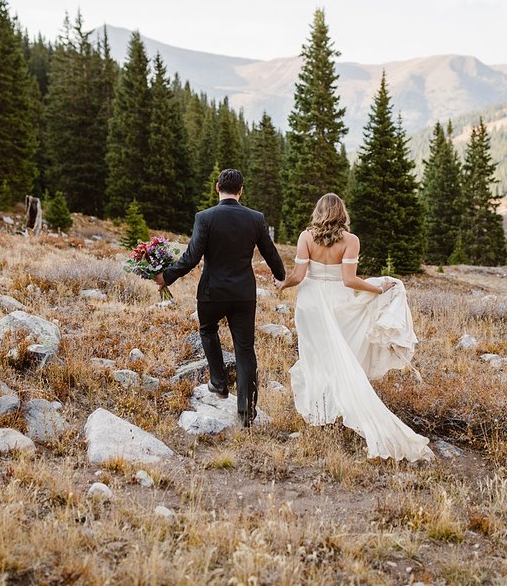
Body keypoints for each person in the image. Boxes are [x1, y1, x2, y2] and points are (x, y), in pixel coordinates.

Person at [274, 193, 434, 461]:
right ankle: (336, 406)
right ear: (342, 213)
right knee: (343, 355)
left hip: (310, 303)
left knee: (315, 356)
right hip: (338, 302)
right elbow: (349, 280)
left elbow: (299, 276)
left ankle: (321, 412)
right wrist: (377, 288)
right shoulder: (350, 241)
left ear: (318, 212)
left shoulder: (305, 237)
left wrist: (282, 285)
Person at [157, 169, 286, 427]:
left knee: (207, 330)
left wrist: (166, 277)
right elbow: (270, 253)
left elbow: (191, 257)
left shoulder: (205, 217)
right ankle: (247, 410)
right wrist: (280, 275)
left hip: (212, 292)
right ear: (241, 190)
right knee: (245, 349)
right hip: (243, 295)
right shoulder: (255, 218)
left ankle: (218, 382)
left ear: (217, 188)